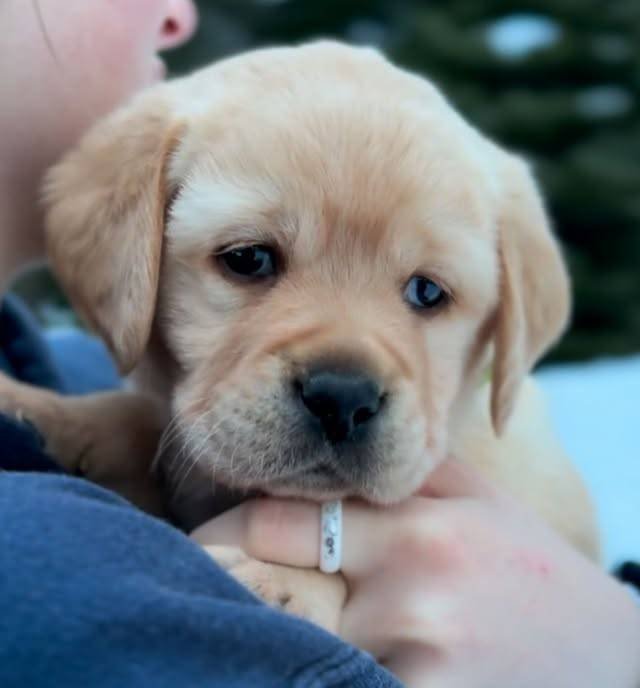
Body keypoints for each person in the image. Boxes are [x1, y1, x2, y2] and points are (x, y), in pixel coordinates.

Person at [0, 3, 638, 687]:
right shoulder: (41, 557)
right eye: (249, 260)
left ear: (502, 332)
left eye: (427, 293)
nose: (345, 381)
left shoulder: (519, 486)